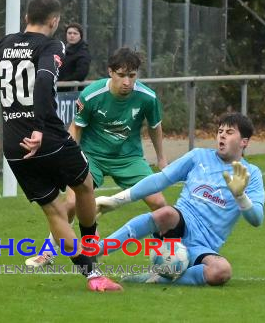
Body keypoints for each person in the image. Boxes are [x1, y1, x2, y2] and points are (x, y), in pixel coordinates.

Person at [0, 0, 122, 292]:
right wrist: (38, 127)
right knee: (85, 184)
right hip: (46, 136)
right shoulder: (52, 45)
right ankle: (90, 241)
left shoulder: (4, 43)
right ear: (54, 21)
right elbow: (46, 78)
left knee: (54, 212)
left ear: (26, 18)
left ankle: (92, 276)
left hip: (13, 144)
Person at [25, 47, 168, 267]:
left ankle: (165, 254)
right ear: (110, 72)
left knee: (159, 202)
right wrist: (67, 161)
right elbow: (76, 129)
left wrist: (161, 159)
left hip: (129, 159)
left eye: (132, 76)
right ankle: (48, 251)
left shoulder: (147, 97)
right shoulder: (92, 95)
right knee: (71, 203)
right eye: (121, 75)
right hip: (92, 157)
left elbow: (155, 127)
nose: (127, 82)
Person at [95, 112, 265, 286]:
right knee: (166, 213)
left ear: (244, 142)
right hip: (177, 228)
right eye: (220, 131)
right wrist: (117, 200)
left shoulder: (252, 174)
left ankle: (159, 278)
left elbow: (257, 219)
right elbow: (159, 180)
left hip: (203, 247)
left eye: (229, 132)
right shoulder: (198, 156)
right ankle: (97, 250)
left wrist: (240, 196)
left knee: (221, 271)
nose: (222, 135)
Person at [58, 22, 91, 91]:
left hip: (72, 92)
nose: (72, 36)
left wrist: (63, 82)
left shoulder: (83, 52)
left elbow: (81, 74)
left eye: (75, 33)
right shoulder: (63, 49)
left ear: (80, 36)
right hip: (59, 90)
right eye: (69, 33)